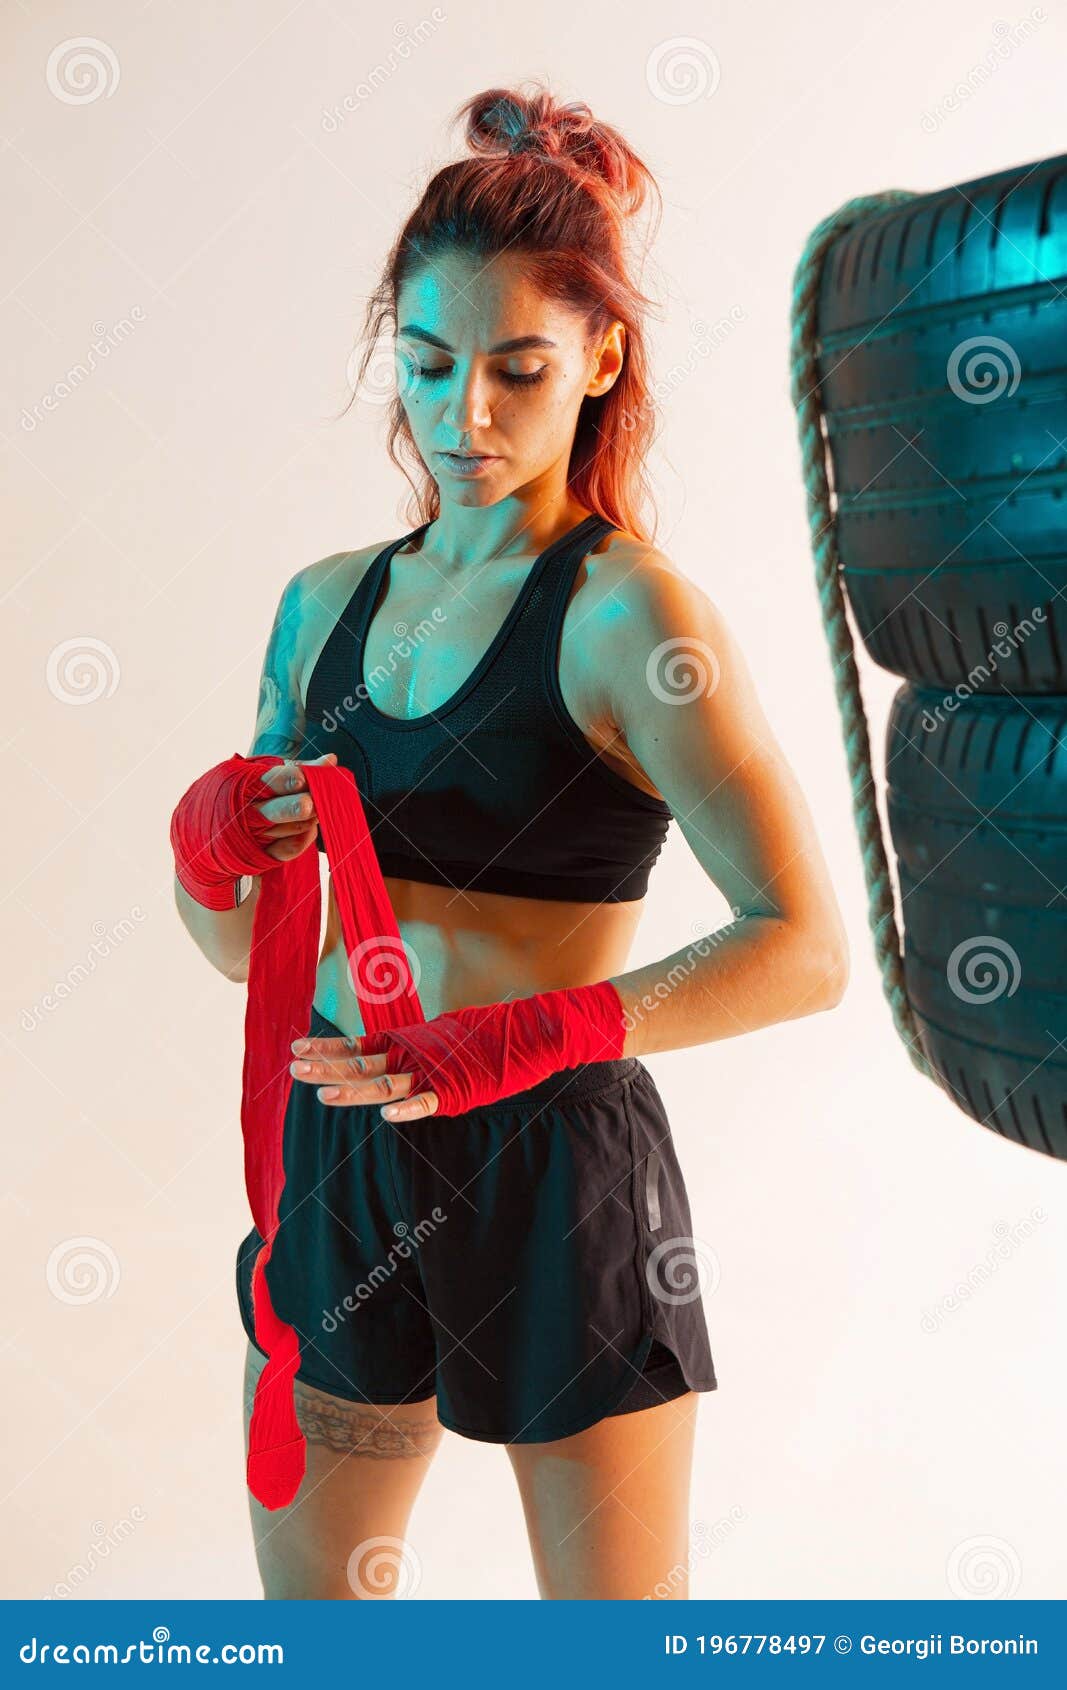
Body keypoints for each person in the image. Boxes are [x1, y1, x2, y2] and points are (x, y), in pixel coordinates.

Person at [173, 81, 849, 1600]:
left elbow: (806, 948)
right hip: (338, 1153)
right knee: (322, 1638)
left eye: (517, 370)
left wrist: (538, 1036)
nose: (464, 416)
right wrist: (210, 852)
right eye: (426, 366)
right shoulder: (320, 604)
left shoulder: (629, 616)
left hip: (555, 1167)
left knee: (608, 1644)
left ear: (601, 360)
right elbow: (242, 952)